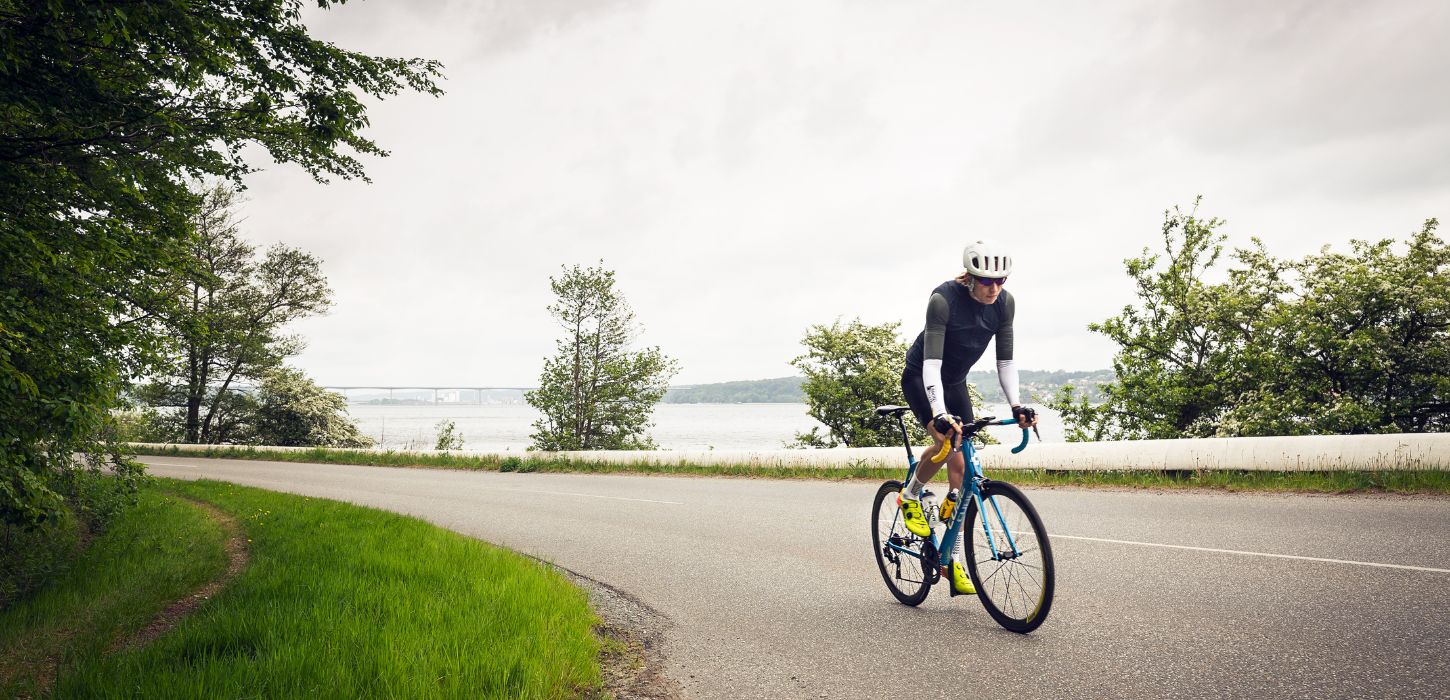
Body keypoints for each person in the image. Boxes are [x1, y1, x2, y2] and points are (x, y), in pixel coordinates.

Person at [897, 239, 1038, 595]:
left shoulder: (1005, 304)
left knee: (963, 472)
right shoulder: (943, 300)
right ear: (970, 278)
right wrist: (940, 414)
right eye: (986, 281)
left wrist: (1016, 406)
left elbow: (1005, 361)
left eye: (1001, 281)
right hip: (922, 378)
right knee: (947, 441)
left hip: (956, 382)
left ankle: (950, 559)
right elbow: (931, 365)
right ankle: (910, 495)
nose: (994, 288)